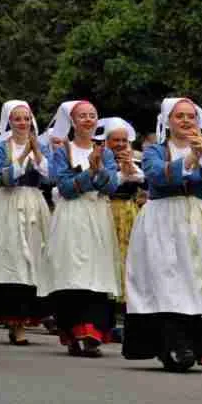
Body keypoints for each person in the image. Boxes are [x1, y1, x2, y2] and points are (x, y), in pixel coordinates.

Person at [121, 97, 202, 372]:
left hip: (197, 219)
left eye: (190, 116)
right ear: (167, 121)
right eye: (179, 116)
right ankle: (173, 345)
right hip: (163, 219)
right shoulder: (154, 150)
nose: (185, 121)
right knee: (168, 279)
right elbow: (157, 177)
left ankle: (194, 344)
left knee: (197, 277)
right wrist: (192, 161)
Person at [40, 101, 121, 357]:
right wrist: (91, 174)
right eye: (82, 116)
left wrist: (99, 170)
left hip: (97, 215)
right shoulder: (63, 150)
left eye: (92, 116)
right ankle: (73, 330)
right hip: (71, 216)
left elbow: (112, 187)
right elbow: (62, 186)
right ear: (72, 122)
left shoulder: (105, 152)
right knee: (72, 272)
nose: (87, 120)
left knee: (96, 271)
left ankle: (92, 331)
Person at [0, 101, 50, 346]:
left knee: (33, 258)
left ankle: (25, 319)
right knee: (11, 257)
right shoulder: (1, 148)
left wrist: (38, 153)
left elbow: (50, 175)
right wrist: (24, 155)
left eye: (26, 118)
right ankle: (13, 319)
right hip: (8, 204)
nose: (23, 123)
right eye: (18, 119)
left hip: (33, 202)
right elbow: (2, 178)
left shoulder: (41, 147)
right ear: (9, 122)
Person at [98, 117, 146, 340]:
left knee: (130, 266)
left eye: (123, 140)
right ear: (106, 141)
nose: (119, 144)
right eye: (115, 140)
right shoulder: (100, 160)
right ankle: (105, 323)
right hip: (106, 210)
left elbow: (144, 183)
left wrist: (130, 165)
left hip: (130, 213)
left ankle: (128, 322)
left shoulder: (138, 160)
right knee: (107, 264)